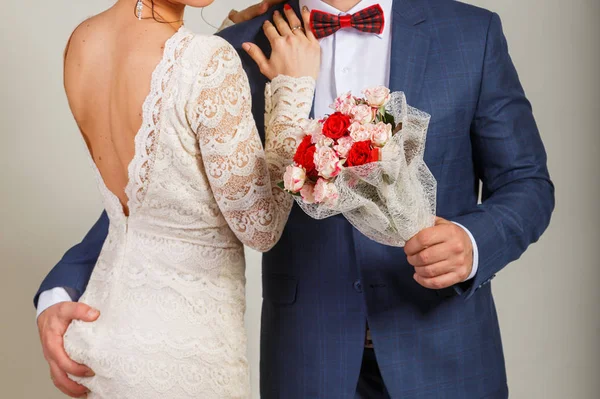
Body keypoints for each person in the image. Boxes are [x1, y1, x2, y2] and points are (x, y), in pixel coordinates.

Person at [36, 1, 555, 398]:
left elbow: (528, 183)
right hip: (307, 361)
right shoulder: (235, 48)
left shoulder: (472, 33)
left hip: (449, 354)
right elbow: (161, 190)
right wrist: (60, 291)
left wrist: (473, 241)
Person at [35, 0, 320, 397]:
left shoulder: (83, 40)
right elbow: (261, 229)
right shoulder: (208, 61)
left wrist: (228, 43)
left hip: (104, 335)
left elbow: (166, 176)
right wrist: (293, 89)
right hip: (186, 356)